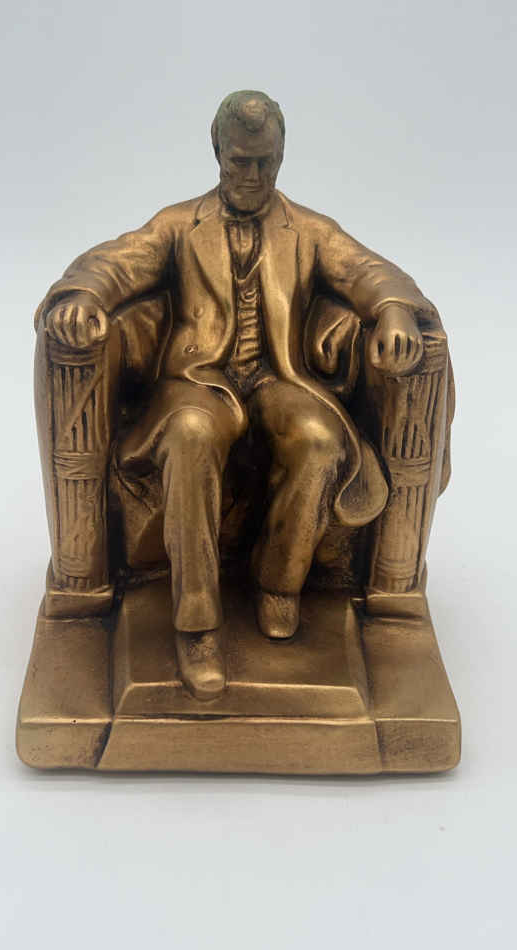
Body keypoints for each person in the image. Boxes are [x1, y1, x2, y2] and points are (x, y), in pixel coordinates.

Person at [35, 90, 436, 700]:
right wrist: (84, 296)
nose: (252, 176)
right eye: (239, 162)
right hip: (199, 384)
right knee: (191, 434)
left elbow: (369, 271)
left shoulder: (309, 230)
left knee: (319, 438)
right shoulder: (179, 225)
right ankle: (196, 625)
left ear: (282, 156)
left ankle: (279, 584)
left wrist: (393, 310)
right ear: (217, 151)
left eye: (265, 162)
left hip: (279, 380)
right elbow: (115, 261)